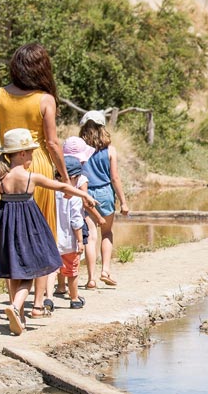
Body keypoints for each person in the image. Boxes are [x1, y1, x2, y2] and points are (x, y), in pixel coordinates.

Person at [0, 129, 97, 336]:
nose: (32, 156)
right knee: (33, 270)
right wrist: (83, 195)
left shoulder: (1, 179)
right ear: (20, 154)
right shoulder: (30, 177)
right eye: (29, 152)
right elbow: (60, 186)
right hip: (29, 227)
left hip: (6, 227)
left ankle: (18, 317)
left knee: (14, 271)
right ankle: (16, 305)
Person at [0, 42, 70, 318]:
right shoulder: (45, 99)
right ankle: (38, 303)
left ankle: (13, 300)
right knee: (42, 233)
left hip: (6, 165)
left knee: (13, 232)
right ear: (42, 68)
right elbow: (53, 143)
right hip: (37, 165)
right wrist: (64, 177)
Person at [79, 111, 129, 286]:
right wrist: (123, 201)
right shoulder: (110, 150)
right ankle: (105, 270)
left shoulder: (80, 150)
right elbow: (115, 178)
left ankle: (91, 279)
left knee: (90, 237)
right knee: (106, 232)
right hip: (106, 193)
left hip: (85, 194)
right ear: (102, 128)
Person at [61, 136, 99, 288]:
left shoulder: (58, 175)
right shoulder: (81, 177)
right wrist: (98, 217)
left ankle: (60, 285)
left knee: (60, 250)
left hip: (59, 218)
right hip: (77, 218)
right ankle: (90, 278)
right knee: (89, 240)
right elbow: (86, 202)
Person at [53, 156, 87, 309]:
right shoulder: (74, 196)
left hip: (51, 240)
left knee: (51, 271)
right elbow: (76, 221)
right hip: (69, 242)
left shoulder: (49, 193)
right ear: (73, 177)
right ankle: (74, 299)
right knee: (72, 271)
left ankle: (47, 299)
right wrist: (80, 241)